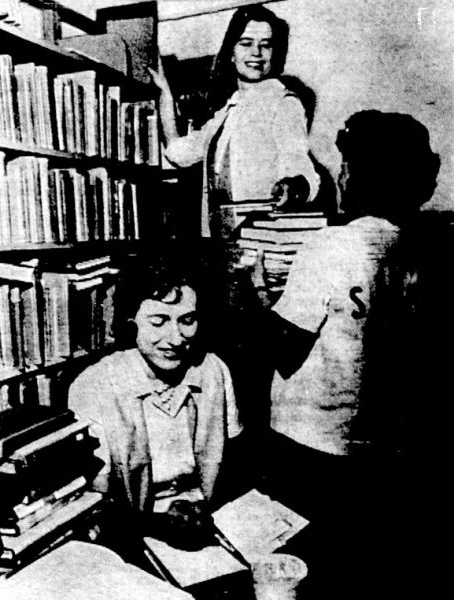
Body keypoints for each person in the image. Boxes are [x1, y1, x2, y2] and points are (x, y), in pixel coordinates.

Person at [253, 110, 449, 599]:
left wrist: (253, 291)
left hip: (309, 449)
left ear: (357, 174)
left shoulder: (331, 244)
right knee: (363, 574)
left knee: (300, 572)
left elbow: (285, 348)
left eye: (344, 166)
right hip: (379, 452)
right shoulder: (422, 249)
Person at [68, 256, 243, 557]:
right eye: (158, 321)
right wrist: (157, 524)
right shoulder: (93, 385)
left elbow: (234, 464)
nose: (175, 338)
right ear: (131, 322)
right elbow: (93, 502)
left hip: (206, 518)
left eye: (187, 320)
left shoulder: (214, 369)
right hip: (131, 528)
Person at [149, 5, 321, 236]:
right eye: (246, 43)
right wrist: (165, 94)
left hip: (261, 242)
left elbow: (302, 167)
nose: (256, 53)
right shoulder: (228, 112)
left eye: (266, 45)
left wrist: (294, 187)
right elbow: (179, 153)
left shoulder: (284, 103)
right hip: (220, 245)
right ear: (231, 53)